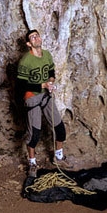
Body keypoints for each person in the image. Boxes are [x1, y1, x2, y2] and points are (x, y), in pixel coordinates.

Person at [17, 29, 67, 175]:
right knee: (35, 134)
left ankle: (58, 157)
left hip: (45, 95)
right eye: (32, 37)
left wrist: (50, 82)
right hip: (31, 98)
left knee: (60, 128)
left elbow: (51, 72)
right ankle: (32, 164)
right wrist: (42, 85)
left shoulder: (47, 55)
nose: (36, 38)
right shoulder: (26, 61)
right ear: (28, 43)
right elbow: (21, 86)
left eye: (37, 35)